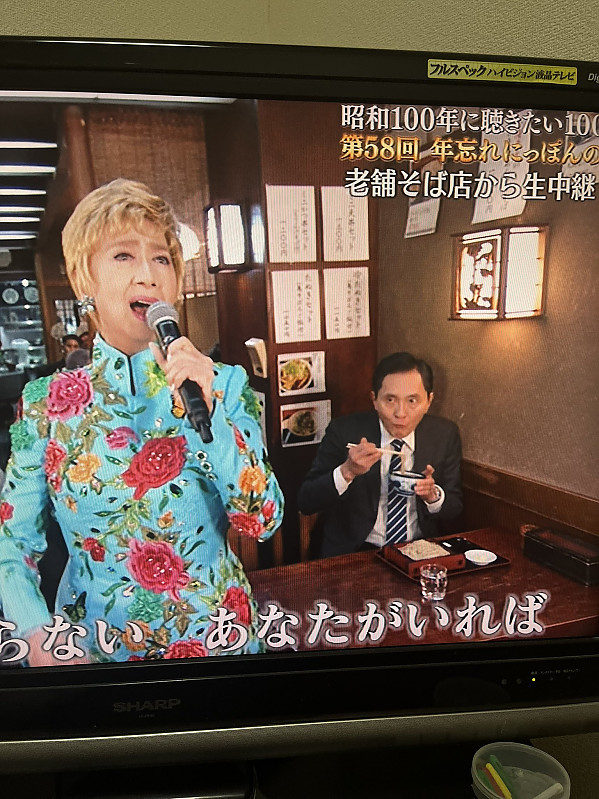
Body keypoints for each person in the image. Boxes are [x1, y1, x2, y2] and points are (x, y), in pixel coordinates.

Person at [0, 178, 283, 666]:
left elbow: (262, 522)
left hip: (216, 643)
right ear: (84, 280)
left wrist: (211, 412)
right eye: (124, 255)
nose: (148, 276)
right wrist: (35, 633)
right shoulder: (45, 404)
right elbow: (12, 540)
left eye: (162, 259)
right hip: (93, 649)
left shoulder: (226, 383)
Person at [298, 352, 462, 557]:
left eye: (412, 400)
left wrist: (432, 496)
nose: (400, 413)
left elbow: (454, 507)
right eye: (390, 400)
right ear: (374, 399)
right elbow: (307, 501)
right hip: (354, 552)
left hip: (417, 550)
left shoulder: (444, 435)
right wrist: (347, 471)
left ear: (428, 401)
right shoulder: (344, 431)